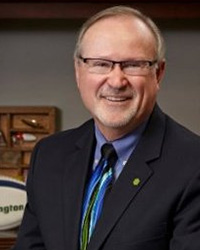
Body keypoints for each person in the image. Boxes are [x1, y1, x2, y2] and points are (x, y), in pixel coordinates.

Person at [13, 5, 200, 250]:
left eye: (133, 65)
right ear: (78, 71)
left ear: (159, 73)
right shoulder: (49, 156)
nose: (116, 81)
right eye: (100, 64)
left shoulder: (193, 164)